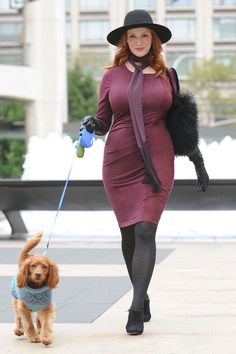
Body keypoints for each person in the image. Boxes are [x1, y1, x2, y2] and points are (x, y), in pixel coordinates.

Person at [81, 9, 209, 335]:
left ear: (154, 40)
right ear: (125, 40)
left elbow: (180, 122)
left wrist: (197, 160)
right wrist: (93, 124)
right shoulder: (111, 76)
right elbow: (104, 120)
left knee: (145, 232)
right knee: (128, 233)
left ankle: (135, 307)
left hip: (158, 158)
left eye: (145, 35)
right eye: (133, 36)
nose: (139, 41)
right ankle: (143, 292)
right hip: (119, 160)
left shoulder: (168, 74)